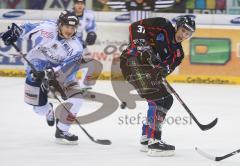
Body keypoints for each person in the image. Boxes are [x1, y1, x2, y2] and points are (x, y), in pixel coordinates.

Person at [1, 10, 84, 145]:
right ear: (59, 24)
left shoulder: (76, 47)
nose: (69, 30)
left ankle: (62, 130)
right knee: (37, 107)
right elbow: (26, 29)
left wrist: (50, 73)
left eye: (73, 28)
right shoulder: (47, 28)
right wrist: (14, 32)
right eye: (66, 26)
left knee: (77, 99)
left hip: (60, 73)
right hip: (37, 62)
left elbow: (68, 68)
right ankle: (48, 110)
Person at [120, 16, 196, 156]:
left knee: (166, 99)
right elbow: (136, 26)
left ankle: (147, 137)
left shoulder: (178, 54)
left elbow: (164, 72)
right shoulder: (163, 25)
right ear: (177, 26)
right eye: (183, 30)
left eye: (188, 34)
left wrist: (159, 70)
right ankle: (155, 141)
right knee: (158, 99)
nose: (183, 35)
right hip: (131, 62)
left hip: (145, 72)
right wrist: (141, 44)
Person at [72, 0, 101, 97]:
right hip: (65, 44)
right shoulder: (67, 14)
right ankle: (62, 85)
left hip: (79, 44)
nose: (79, 5)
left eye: (81, 3)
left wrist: (91, 33)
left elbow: (91, 28)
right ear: (74, 4)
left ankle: (84, 85)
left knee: (91, 65)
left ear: (84, 5)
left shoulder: (88, 15)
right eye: (77, 3)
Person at [107, 0, 175, 22]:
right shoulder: (130, 3)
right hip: (134, 33)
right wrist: (107, 2)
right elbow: (118, 4)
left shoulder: (150, 3)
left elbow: (168, 3)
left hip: (148, 33)